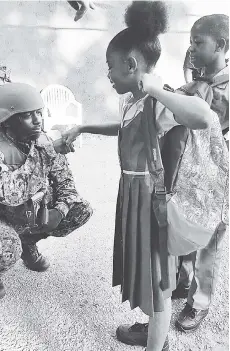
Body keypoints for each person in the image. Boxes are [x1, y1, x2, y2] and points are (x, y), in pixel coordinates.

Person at [57, 2, 228, 350]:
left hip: (151, 200)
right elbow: (124, 130)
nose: (107, 75)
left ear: (132, 65)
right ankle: (154, 330)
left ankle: (157, 343)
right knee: (148, 275)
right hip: (132, 194)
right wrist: (84, 126)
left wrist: (156, 89)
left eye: (111, 68)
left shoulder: (156, 101)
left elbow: (203, 116)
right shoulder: (131, 101)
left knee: (159, 280)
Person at [0, 82, 92, 299]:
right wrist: (45, 153)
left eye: (39, 113)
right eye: (27, 115)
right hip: (4, 217)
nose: (37, 120)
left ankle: (28, 242)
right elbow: (10, 194)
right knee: (7, 246)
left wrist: (59, 211)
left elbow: (67, 185)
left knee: (80, 210)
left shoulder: (43, 141)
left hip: (30, 215)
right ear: (7, 122)